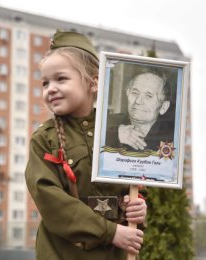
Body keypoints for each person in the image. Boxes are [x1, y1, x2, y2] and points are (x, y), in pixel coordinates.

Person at [25, 31, 147, 260]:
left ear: (93, 83)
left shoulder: (120, 133)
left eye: (61, 79)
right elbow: (51, 201)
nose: (50, 88)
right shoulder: (44, 139)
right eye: (45, 82)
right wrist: (109, 232)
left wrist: (140, 208)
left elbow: (136, 186)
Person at [106, 69, 174, 152]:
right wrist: (114, 136)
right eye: (135, 92)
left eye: (148, 96)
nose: (138, 101)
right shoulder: (105, 123)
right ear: (128, 93)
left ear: (163, 107)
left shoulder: (174, 137)